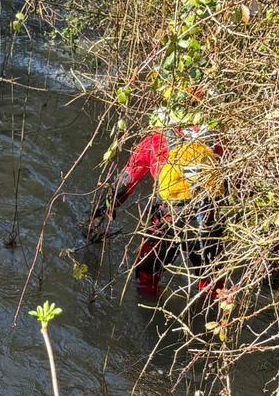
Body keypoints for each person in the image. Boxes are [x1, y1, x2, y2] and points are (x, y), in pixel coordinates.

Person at [86, 122, 225, 299]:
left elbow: (126, 182)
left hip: (169, 219)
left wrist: (101, 211)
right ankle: (213, 314)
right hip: (207, 222)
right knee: (214, 281)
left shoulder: (156, 141)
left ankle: (150, 308)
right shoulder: (218, 140)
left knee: (146, 273)